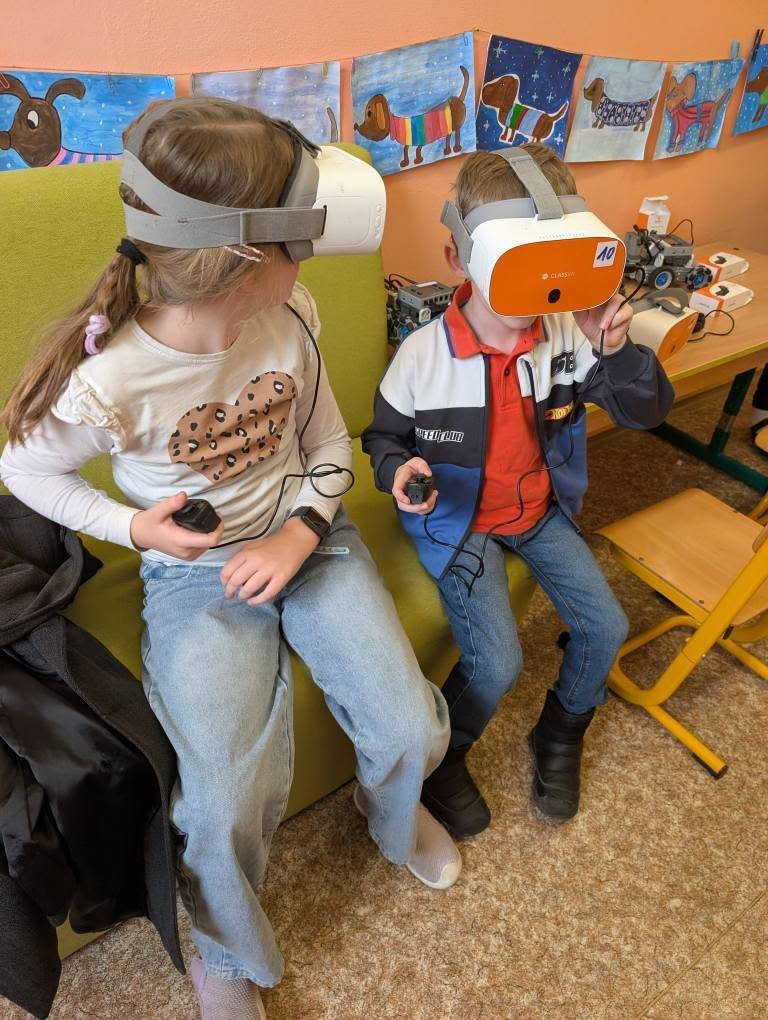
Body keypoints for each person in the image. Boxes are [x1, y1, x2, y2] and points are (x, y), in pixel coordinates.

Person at [0, 97, 459, 1020]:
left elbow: (327, 447)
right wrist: (135, 529)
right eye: (302, 242)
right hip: (196, 576)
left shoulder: (291, 312)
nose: (313, 262)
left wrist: (300, 531)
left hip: (310, 539)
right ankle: (225, 947)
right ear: (249, 257)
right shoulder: (111, 377)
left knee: (411, 726)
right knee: (216, 803)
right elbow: (24, 469)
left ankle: (391, 810)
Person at [362, 144, 674, 837]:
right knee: (497, 662)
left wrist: (615, 349)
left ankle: (560, 731)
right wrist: (397, 471)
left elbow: (645, 413)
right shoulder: (422, 356)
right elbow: (382, 439)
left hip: (538, 512)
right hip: (461, 519)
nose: (534, 297)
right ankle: (446, 756)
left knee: (607, 625)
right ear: (459, 259)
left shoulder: (568, 334)